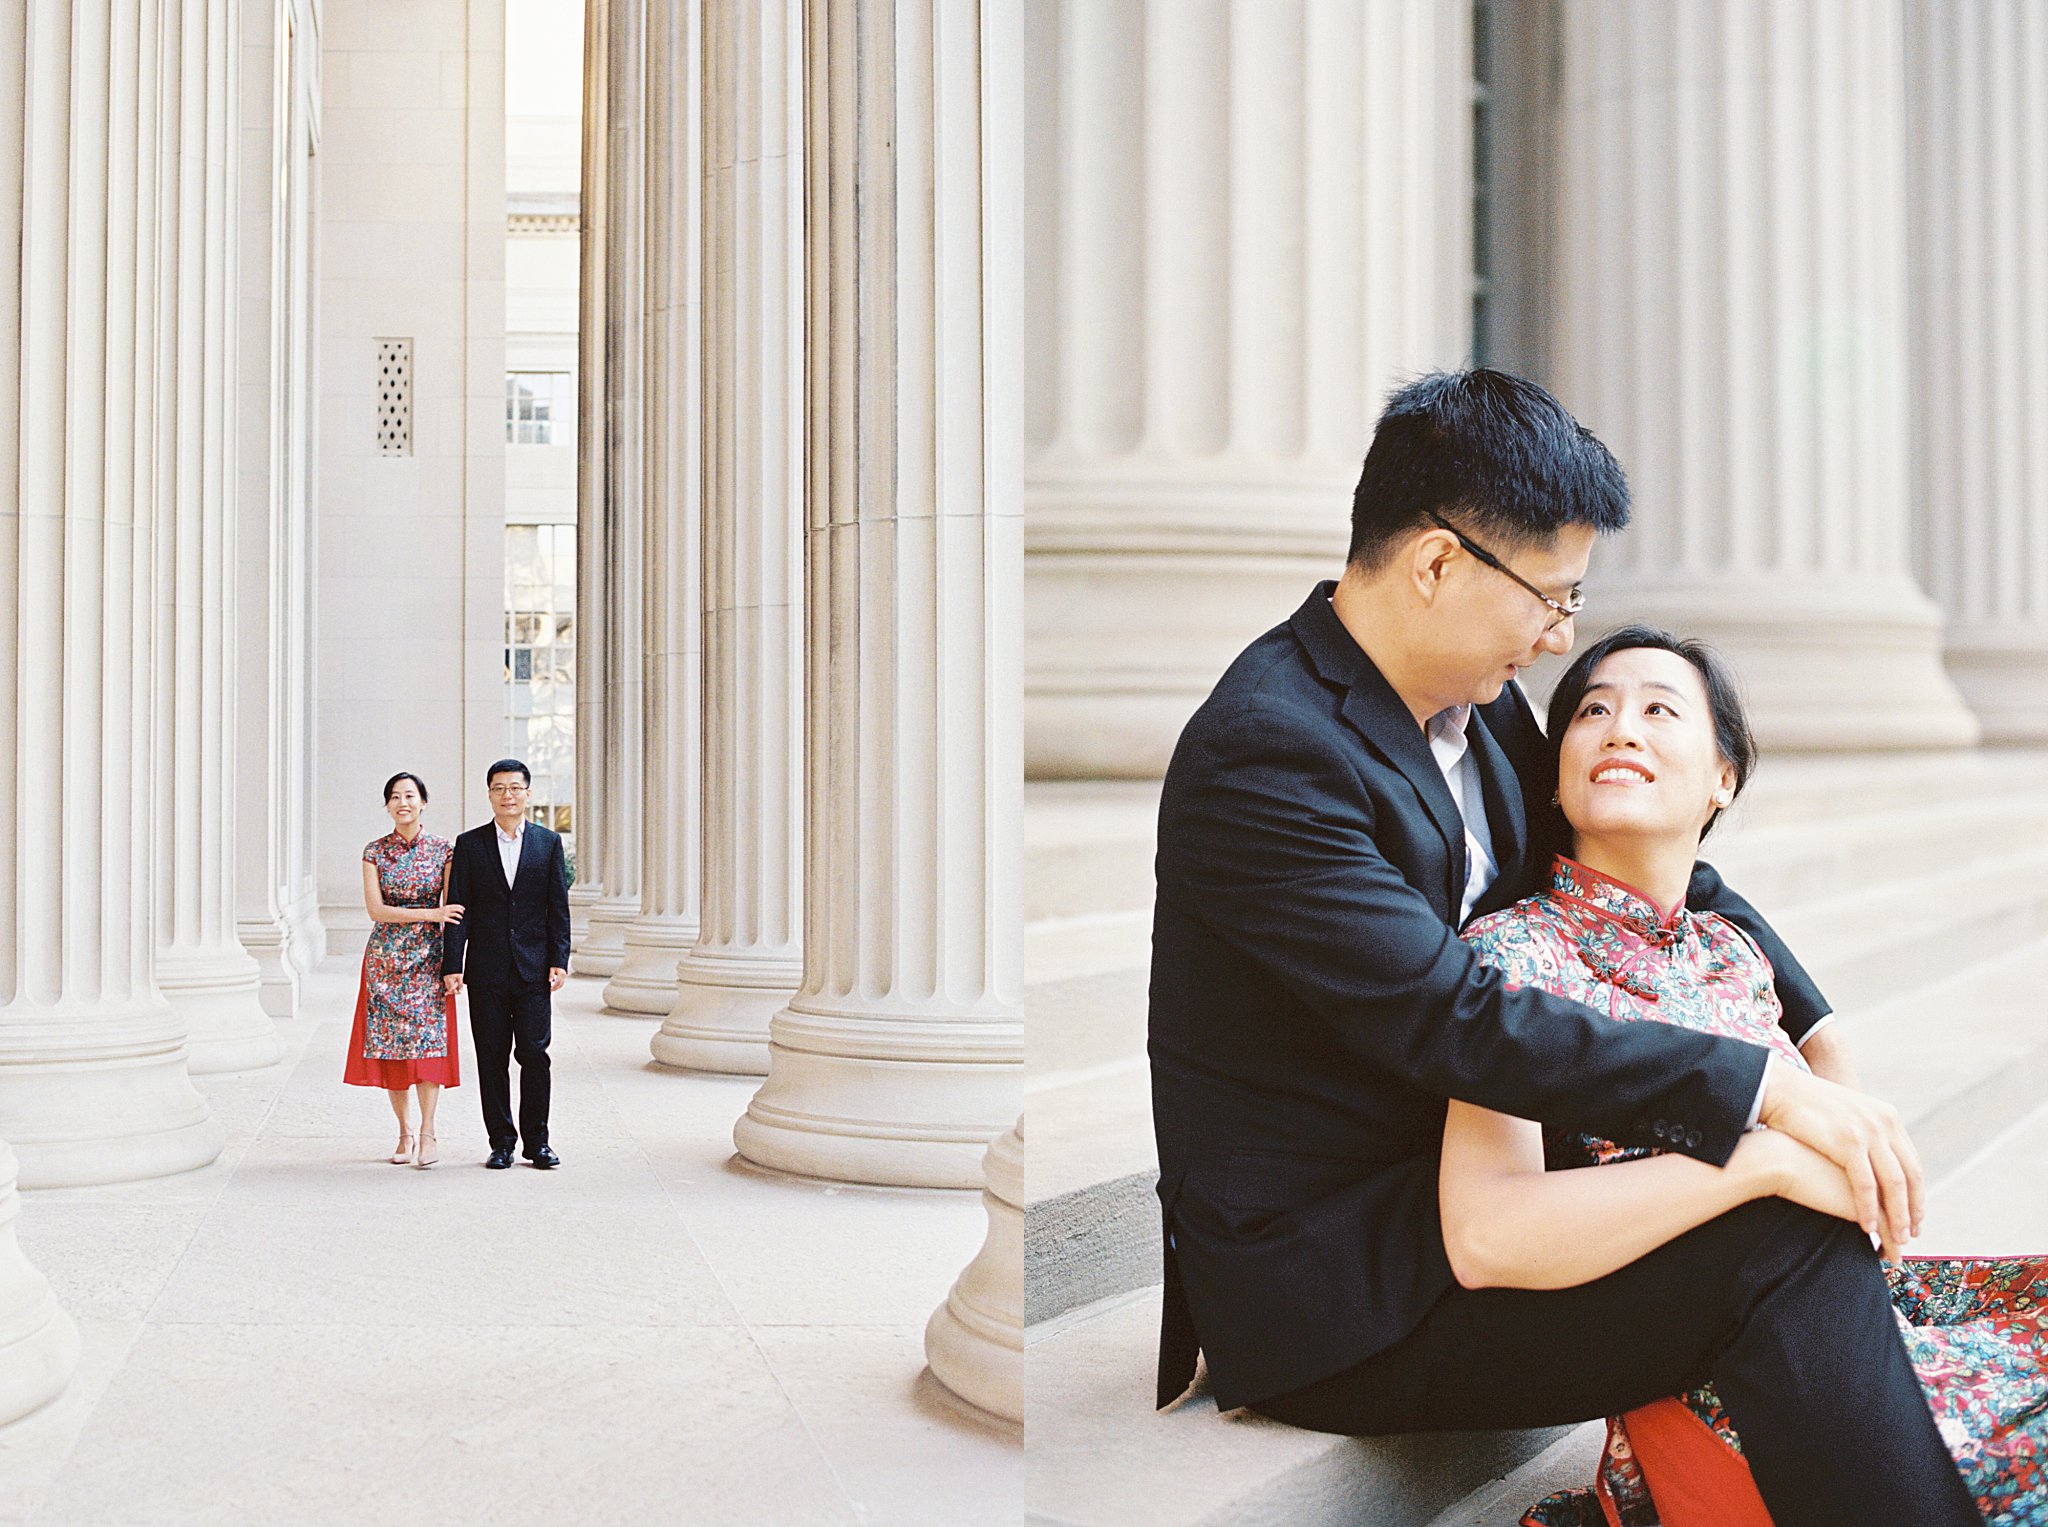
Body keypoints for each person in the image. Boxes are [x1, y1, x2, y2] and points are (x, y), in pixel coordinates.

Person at [1147, 369, 1981, 1525]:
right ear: (1437, 564)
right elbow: (1450, 1015)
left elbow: (1639, 860)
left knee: (1791, 1228)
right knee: (1776, 1238)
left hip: (1490, 1191)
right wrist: (1759, 1101)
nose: (1557, 637)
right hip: (1342, 1285)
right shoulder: (1265, 753)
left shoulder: (1470, 700)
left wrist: (1810, 1024)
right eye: (1549, 596)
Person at [1451, 627, 2048, 1527]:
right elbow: (1490, 1226)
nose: (1621, 729)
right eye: (1593, 711)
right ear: (1558, 765)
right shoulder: (1508, 957)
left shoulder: (1732, 950)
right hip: (1733, 1375)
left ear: (1722, 777)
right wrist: (1760, 1162)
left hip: (1862, 1320)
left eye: (1660, 708)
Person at [441, 758, 570, 1170]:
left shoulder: (547, 843)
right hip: (486, 968)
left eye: (515, 788)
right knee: (491, 1056)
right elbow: (458, 907)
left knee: (535, 1054)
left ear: (528, 794)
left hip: (533, 969)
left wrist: (559, 959)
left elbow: (557, 908)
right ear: (490, 794)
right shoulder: (470, 844)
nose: (507, 795)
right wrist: (452, 963)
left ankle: (538, 1142)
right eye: (499, 788)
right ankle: (501, 1142)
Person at [344, 771, 462, 1167]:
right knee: (392, 1049)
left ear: (423, 802)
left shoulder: (443, 850)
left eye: (409, 795)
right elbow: (375, 910)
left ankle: (429, 1132)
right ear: (388, 805)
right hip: (386, 962)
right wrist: (430, 912)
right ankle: (404, 1132)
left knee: (430, 1046)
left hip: (429, 960)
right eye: (394, 797)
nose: (402, 803)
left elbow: (455, 909)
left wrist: (453, 962)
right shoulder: (374, 852)